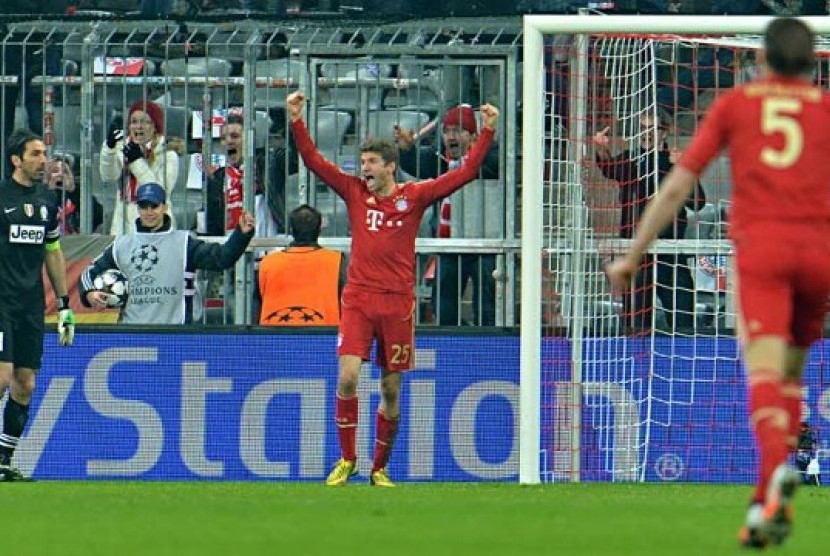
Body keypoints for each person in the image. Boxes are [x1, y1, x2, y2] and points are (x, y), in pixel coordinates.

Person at [606, 17, 830, 549]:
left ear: (760, 61)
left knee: (764, 373)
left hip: (763, 253)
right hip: (818, 255)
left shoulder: (738, 105)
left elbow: (679, 183)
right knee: (793, 374)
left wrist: (634, 253)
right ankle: (781, 480)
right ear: (814, 64)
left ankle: (769, 490)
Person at [286, 90, 498, 487]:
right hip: (359, 300)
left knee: (390, 388)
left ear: (390, 167)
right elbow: (314, 161)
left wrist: (487, 132)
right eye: (362, 162)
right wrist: (296, 119)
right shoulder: (353, 193)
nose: (363, 168)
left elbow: (464, 173)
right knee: (347, 377)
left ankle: (379, 467)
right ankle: (347, 458)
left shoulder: (414, 197)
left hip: (398, 304)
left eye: (370, 163)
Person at [0, 128, 75, 481]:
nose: (43, 160)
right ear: (16, 160)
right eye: (35, 154)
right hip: (0, 300)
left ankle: (3, 461)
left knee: (25, 382)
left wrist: (63, 305)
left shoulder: (47, 202)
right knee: (1, 376)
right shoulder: (0, 197)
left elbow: (53, 252)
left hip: (30, 304)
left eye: (44, 153)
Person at [594, 110, 706, 332]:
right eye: (642, 129)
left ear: (664, 133)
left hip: (670, 253)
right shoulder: (630, 159)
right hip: (637, 255)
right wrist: (602, 148)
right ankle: (636, 363)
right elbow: (609, 169)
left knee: (683, 320)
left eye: (652, 128)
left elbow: (697, 203)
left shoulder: (675, 161)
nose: (647, 134)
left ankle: (681, 364)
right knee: (635, 325)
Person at [78, 182, 255, 324]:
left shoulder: (184, 242)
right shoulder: (121, 245)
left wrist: (241, 233)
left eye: (154, 206)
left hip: (175, 334)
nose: (149, 212)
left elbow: (222, 258)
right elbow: (89, 272)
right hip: (132, 331)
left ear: (164, 207)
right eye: (143, 206)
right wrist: (89, 293)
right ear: (137, 208)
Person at [396, 104, 501, 326]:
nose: (451, 136)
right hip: (449, 244)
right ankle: (455, 344)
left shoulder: (491, 157)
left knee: (488, 308)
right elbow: (418, 164)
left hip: (486, 245)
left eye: (458, 131)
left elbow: (482, 166)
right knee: (442, 307)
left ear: (473, 136)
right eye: (447, 131)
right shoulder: (440, 161)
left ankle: (488, 349)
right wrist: (406, 151)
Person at [100, 100, 179, 235]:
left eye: (145, 122)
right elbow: (108, 176)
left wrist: (136, 162)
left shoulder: (169, 155)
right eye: (134, 122)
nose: (138, 127)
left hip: (156, 225)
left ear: (155, 127)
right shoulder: (122, 149)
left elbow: (159, 192)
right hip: (122, 223)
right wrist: (109, 149)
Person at [258, 204, 346, 326]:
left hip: (273, 337)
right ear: (319, 230)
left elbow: (259, 300)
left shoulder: (267, 263)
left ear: (291, 230)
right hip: (324, 337)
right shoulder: (337, 261)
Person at [795, 421, 819, 486]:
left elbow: (811, 445)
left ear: (807, 427)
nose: (802, 428)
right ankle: (805, 484)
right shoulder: (800, 434)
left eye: (804, 427)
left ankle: (810, 484)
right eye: (801, 427)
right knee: (801, 473)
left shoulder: (810, 434)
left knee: (812, 472)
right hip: (801, 457)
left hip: (809, 457)